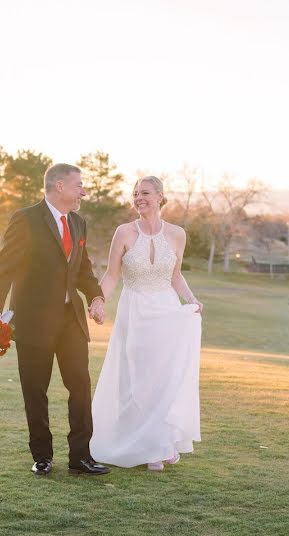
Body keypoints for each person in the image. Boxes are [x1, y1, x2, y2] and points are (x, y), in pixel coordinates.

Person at [0, 163, 110, 476]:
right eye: (79, 185)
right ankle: (42, 456)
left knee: (80, 386)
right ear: (59, 187)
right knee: (35, 390)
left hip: (72, 321)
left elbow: (84, 271)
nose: (83, 191)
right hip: (33, 322)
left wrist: (96, 298)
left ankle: (80, 457)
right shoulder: (25, 219)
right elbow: (5, 268)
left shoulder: (79, 223)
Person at [89, 176, 203, 471]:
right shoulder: (124, 232)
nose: (139, 198)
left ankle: (160, 443)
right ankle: (140, 444)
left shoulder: (178, 234)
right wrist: (99, 300)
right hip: (135, 311)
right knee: (136, 378)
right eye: (135, 193)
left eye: (146, 193)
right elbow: (112, 275)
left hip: (166, 311)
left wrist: (192, 300)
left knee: (164, 378)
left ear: (161, 197)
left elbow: (175, 276)